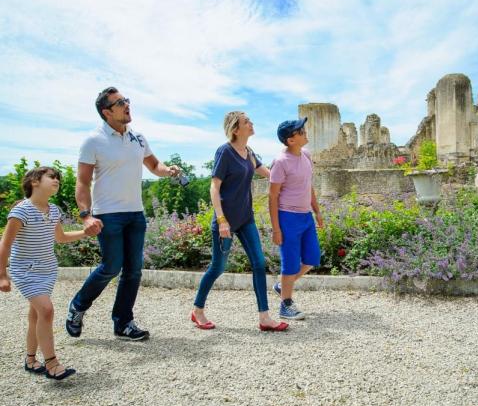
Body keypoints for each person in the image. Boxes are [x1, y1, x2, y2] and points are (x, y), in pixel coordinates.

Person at [65, 87, 181, 341]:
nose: (127, 105)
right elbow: (82, 182)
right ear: (107, 112)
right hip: (108, 214)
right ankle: (78, 306)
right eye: (120, 103)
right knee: (111, 267)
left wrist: (168, 170)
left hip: (135, 214)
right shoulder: (93, 141)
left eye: (126, 100)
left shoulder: (138, 137)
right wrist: (86, 215)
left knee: (134, 271)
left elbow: (153, 165)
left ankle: (123, 322)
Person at [192, 111, 288, 332]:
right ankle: (197, 310)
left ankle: (264, 317)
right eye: (247, 122)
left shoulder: (249, 152)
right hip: (225, 221)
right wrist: (221, 220)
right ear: (235, 129)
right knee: (217, 268)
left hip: (245, 219)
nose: (251, 123)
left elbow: (268, 173)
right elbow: (214, 187)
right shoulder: (224, 152)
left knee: (259, 264)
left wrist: (289, 175)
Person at [0, 167, 97, 380]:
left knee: (36, 315)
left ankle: (30, 359)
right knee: (46, 310)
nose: (57, 180)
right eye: (51, 177)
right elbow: (4, 246)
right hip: (25, 270)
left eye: (58, 178)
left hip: (47, 269)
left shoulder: (53, 211)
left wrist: (85, 232)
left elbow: (60, 238)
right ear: (34, 181)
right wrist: (2, 275)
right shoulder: (20, 212)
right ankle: (52, 363)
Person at [268, 118, 323, 320]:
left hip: (305, 215)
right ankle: (286, 304)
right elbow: (272, 196)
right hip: (287, 216)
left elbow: (308, 186)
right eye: (300, 131)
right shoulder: (280, 162)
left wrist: (317, 211)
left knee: (312, 258)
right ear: (291, 140)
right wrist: (276, 229)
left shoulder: (306, 155)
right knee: (290, 263)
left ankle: (282, 286)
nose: (305, 132)